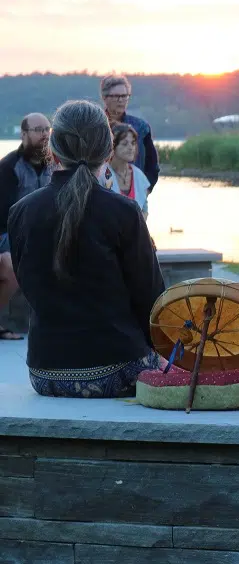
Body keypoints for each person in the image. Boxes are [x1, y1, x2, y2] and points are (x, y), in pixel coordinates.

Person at [7, 100, 165, 398]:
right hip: (118, 370)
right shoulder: (124, 211)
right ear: (108, 151)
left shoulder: (21, 211)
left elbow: (28, 285)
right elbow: (151, 299)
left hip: (45, 373)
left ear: (52, 152)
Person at [0, 113, 55, 340]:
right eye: (38, 130)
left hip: (47, 234)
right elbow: (4, 216)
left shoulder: (56, 166)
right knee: (10, 267)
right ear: (24, 134)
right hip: (9, 234)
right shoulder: (8, 167)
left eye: (47, 129)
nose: (44, 135)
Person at [100, 74, 159, 191]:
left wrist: (145, 191)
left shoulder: (140, 127)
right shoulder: (96, 126)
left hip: (134, 195)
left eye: (124, 96)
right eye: (116, 96)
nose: (121, 100)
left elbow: (152, 166)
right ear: (104, 97)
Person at [107, 123, 152, 219]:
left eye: (133, 143)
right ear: (112, 146)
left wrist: (138, 228)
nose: (131, 147)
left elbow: (144, 209)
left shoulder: (139, 176)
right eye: (124, 144)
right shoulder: (102, 175)